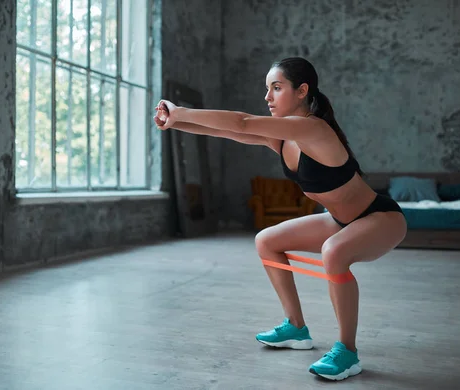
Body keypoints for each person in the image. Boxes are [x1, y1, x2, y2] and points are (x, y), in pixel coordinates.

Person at [154, 57, 407, 381]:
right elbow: (230, 132)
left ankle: (347, 351)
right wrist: (175, 122)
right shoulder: (283, 138)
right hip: (340, 220)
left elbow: (243, 122)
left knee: (333, 251)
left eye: (276, 88)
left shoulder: (314, 128)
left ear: (302, 91)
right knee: (267, 241)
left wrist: (182, 111)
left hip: (380, 217)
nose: (268, 97)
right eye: (267, 89)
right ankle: (296, 328)